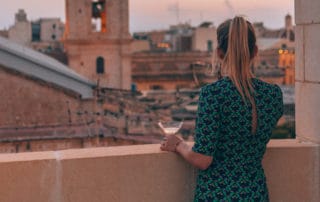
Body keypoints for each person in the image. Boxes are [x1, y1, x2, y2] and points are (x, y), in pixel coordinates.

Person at [160, 16, 284, 201]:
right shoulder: (273, 95)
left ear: (218, 53)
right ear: (255, 51)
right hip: (255, 193)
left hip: (217, 194)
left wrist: (178, 144)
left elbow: (203, 159)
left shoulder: (213, 94)